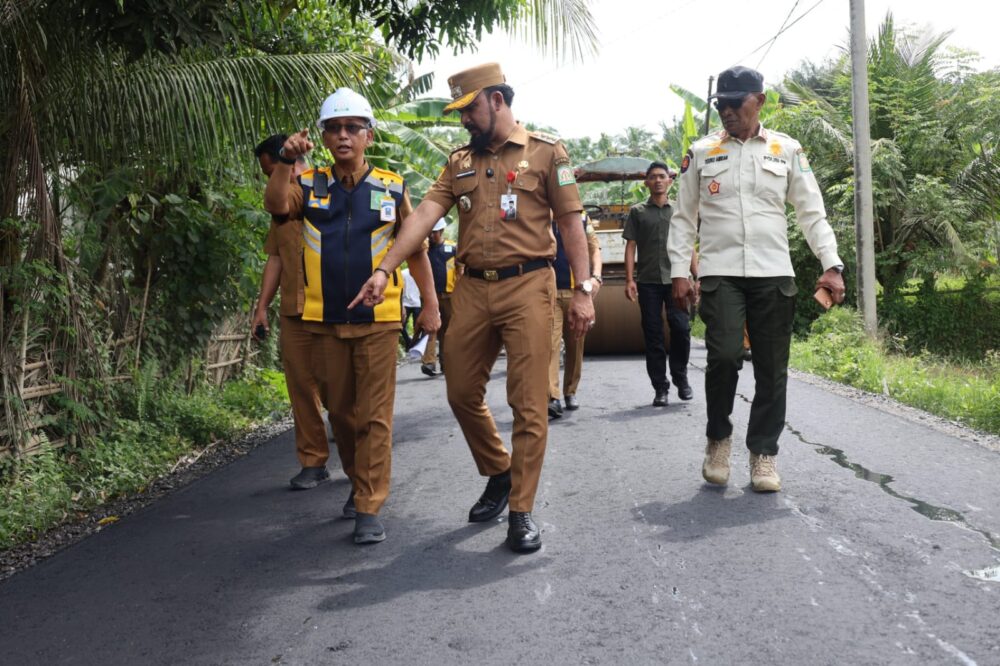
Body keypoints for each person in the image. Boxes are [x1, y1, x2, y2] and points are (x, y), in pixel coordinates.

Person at [350, 63, 595, 553]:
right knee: (460, 391)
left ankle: (521, 510)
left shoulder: (546, 152)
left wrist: (584, 289)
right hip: (472, 289)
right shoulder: (459, 161)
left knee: (528, 403)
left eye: (469, 109)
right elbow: (424, 215)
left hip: (529, 285)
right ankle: (500, 470)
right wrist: (384, 269)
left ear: (497, 101)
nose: (463, 119)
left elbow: (571, 222)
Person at [263, 88, 440, 544]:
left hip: (380, 320)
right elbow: (276, 206)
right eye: (334, 129)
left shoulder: (391, 186)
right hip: (324, 320)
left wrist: (431, 306)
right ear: (323, 138)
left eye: (352, 128)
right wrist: (284, 160)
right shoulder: (308, 185)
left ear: (368, 135)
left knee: (375, 416)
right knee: (341, 414)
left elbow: (416, 250)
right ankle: (359, 480)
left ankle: (369, 505)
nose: (343, 136)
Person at [669, 66, 845, 492]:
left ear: (760, 101)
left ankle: (763, 453)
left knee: (772, 367)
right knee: (724, 356)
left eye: (736, 103)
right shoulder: (702, 152)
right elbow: (683, 218)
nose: (727, 111)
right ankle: (718, 440)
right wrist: (678, 272)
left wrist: (831, 263)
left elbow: (811, 213)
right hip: (720, 273)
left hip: (773, 273)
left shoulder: (787, 149)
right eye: (721, 105)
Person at [252, 134, 338, 491]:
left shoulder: (330, 187)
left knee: (339, 387)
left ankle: (358, 454)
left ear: (286, 162)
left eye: (269, 171)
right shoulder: (280, 206)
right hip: (294, 310)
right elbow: (275, 258)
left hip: (332, 306)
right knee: (301, 388)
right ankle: (313, 461)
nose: (267, 179)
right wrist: (261, 307)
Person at [623, 162, 698, 407]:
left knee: (681, 329)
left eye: (662, 176)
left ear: (670, 181)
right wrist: (630, 280)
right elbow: (631, 246)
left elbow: (689, 245)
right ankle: (660, 388)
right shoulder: (637, 212)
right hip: (648, 283)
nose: (657, 180)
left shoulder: (679, 211)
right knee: (653, 334)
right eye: (653, 177)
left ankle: (681, 377)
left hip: (677, 280)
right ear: (646, 182)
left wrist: (697, 276)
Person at [548, 212, 602, 417]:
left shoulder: (581, 218)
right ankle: (552, 396)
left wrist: (596, 277)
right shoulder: (539, 213)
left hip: (577, 294)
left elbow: (594, 249)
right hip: (549, 294)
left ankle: (570, 391)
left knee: (576, 344)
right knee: (550, 344)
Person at [421, 218, 457, 377]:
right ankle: (429, 362)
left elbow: (460, 269)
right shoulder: (424, 250)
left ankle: (446, 364)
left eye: (434, 232)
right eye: (430, 232)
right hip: (430, 296)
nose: (431, 235)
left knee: (448, 332)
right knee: (430, 328)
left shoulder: (452, 248)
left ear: (441, 231)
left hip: (450, 296)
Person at [400, 267, 423, 350]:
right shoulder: (404, 273)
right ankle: (410, 343)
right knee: (404, 325)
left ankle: (411, 344)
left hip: (414, 302)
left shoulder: (419, 272)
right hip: (408, 302)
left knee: (404, 325)